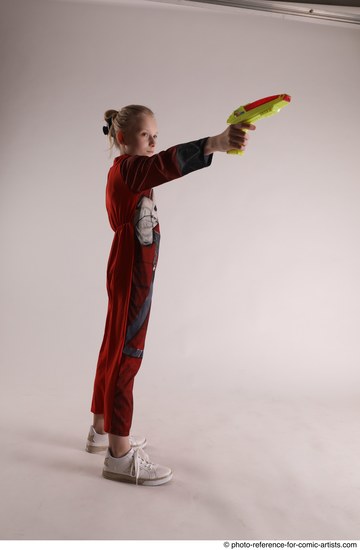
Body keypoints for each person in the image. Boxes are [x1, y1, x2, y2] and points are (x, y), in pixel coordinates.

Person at [86, 104, 256, 486]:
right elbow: (162, 165)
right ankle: (119, 453)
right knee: (127, 353)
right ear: (122, 138)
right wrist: (213, 143)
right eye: (146, 136)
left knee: (114, 345)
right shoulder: (130, 168)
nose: (153, 142)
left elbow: (155, 167)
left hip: (127, 266)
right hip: (132, 269)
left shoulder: (124, 170)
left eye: (155, 136)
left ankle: (101, 429)